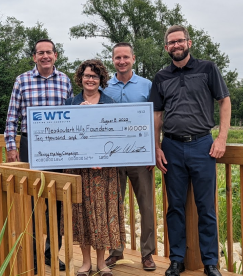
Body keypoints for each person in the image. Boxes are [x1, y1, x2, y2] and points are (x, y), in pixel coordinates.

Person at [150, 25, 231, 276]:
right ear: (166, 48)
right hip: (171, 146)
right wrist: (156, 147)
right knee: (174, 206)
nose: (176, 45)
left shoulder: (208, 68)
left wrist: (222, 139)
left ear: (189, 42)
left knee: (205, 206)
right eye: (171, 43)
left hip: (202, 145)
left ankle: (210, 262)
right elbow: (156, 114)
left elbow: (224, 101)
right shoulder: (161, 76)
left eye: (179, 41)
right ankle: (176, 259)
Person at [4, 39, 73, 273]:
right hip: (30, 145)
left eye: (49, 52)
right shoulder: (22, 80)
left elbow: (74, 114)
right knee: (32, 200)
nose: (45, 56)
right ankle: (32, 254)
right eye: (40, 53)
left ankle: (51, 252)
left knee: (57, 202)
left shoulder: (65, 80)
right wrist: (11, 146)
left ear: (55, 55)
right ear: (34, 57)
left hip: (60, 146)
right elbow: (12, 115)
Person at [64, 59, 126, 276]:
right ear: (80, 78)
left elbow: (116, 138)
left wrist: (105, 159)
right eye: (87, 75)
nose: (90, 79)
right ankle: (85, 263)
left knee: (100, 215)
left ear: (101, 80)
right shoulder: (69, 104)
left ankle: (101, 263)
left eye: (95, 76)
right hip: (78, 169)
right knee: (82, 215)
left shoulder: (110, 104)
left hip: (103, 170)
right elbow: (65, 138)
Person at [103, 42, 156, 270]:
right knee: (113, 205)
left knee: (146, 206)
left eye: (126, 57)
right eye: (117, 58)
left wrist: (154, 149)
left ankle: (148, 253)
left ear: (133, 58)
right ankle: (115, 251)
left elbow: (156, 118)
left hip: (140, 157)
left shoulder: (147, 85)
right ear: (113, 60)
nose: (122, 61)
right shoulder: (104, 86)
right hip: (112, 157)